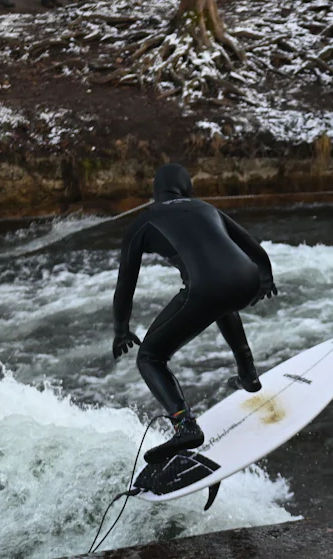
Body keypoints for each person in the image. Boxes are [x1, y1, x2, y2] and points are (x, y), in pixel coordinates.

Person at [112, 164, 276, 464]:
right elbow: (253, 247)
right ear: (186, 188)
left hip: (206, 288)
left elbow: (126, 284)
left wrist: (121, 328)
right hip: (247, 279)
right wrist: (265, 278)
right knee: (220, 302)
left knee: (149, 357)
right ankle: (248, 372)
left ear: (155, 190)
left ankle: (184, 424)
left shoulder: (143, 221)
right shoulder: (206, 207)